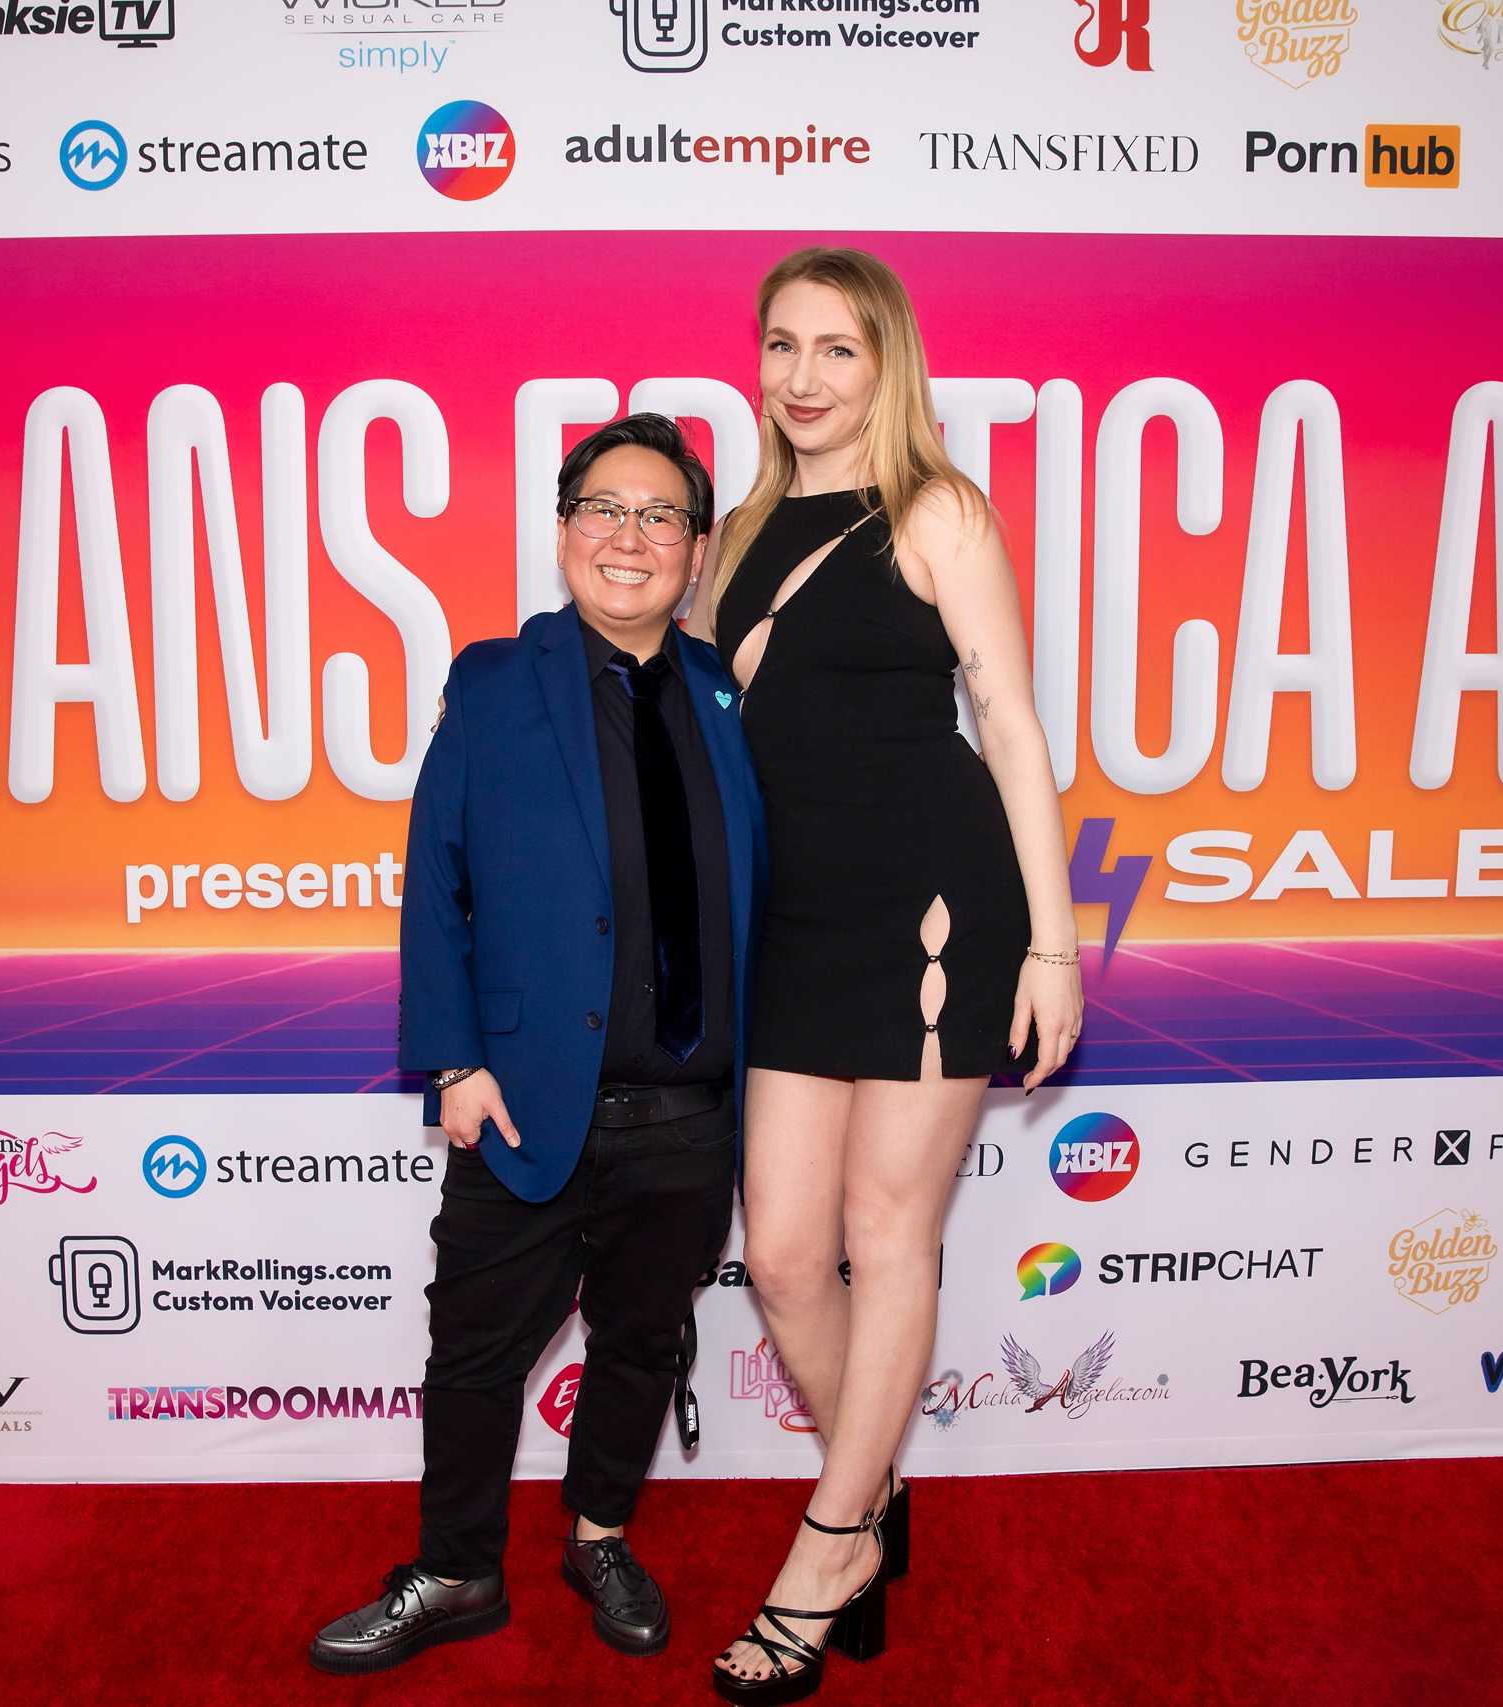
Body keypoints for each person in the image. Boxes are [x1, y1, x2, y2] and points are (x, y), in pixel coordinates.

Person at [310, 415, 767, 1674]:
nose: (630, 536)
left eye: (660, 515)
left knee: (641, 1343)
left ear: (696, 548)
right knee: (472, 1356)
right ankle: (456, 1569)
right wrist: (454, 1064)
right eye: (603, 509)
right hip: (520, 1101)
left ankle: (598, 1534)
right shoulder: (495, 679)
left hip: (690, 1112)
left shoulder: (732, 697)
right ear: (564, 531)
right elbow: (435, 878)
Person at [691, 248, 1083, 1702]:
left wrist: (1052, 944)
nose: (803, 377)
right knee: (786, 1254)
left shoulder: (938, 510)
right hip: (790, 923)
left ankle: (828, 1543)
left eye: (838, 349)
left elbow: (1013, 726)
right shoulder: (737, 530)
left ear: (888, 364)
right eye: (781, 345)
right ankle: (871, 1488)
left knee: (886, 1233)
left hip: (933, 908)